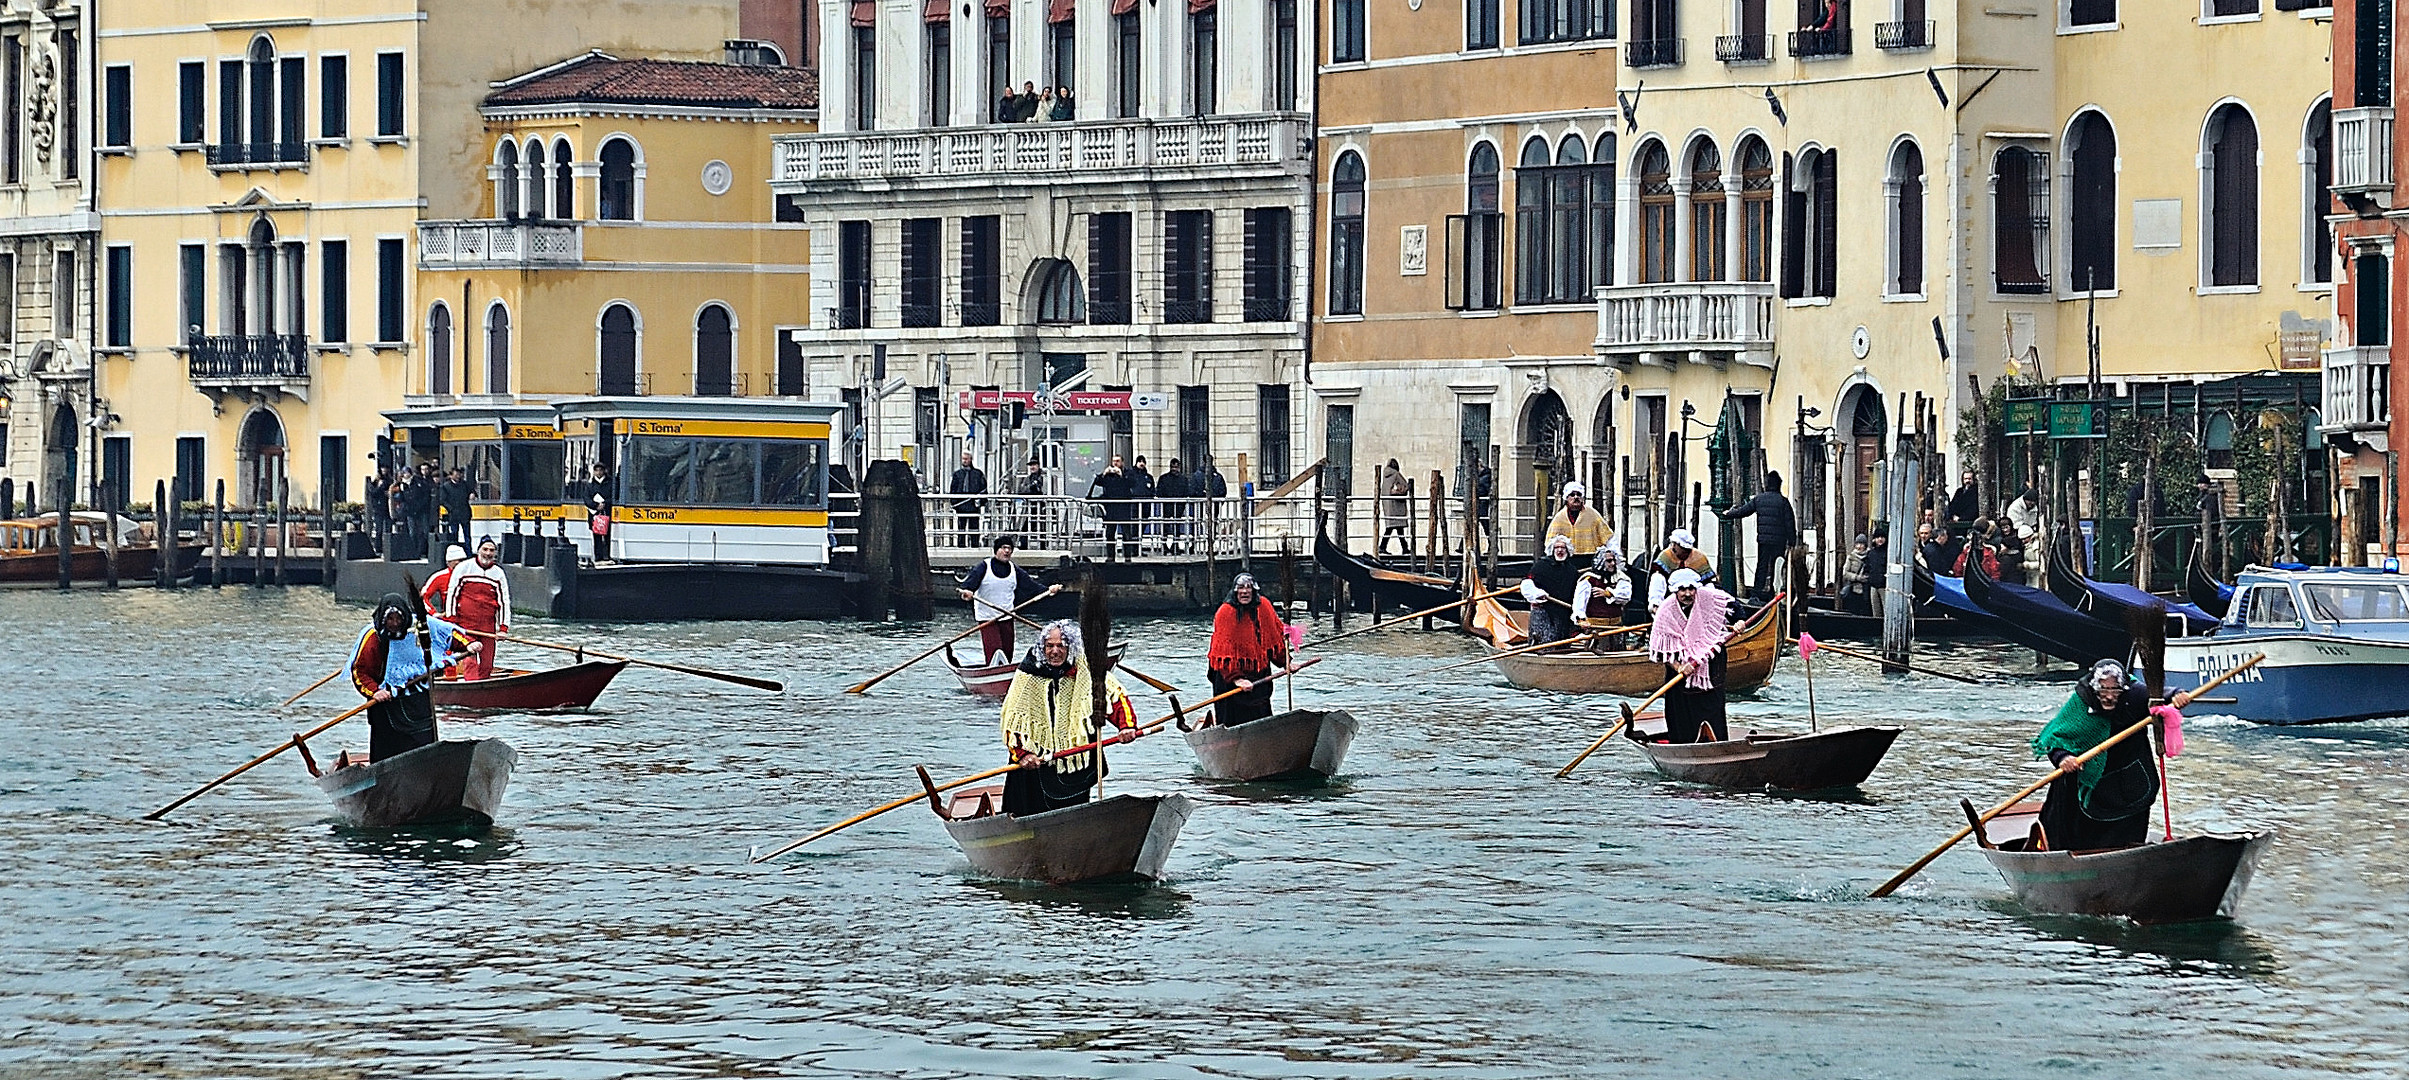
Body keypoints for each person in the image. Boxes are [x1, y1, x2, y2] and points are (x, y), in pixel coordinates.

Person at [2031, 659, 2179, 851]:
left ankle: (2126, 853)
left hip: (2126, 774)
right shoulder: (2081, 701)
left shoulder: (2133, 693)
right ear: (2094, 688)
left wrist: (2177, 695)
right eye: (2103, 690)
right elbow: (2055, 738)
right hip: (2085, 777)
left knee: (2128, 823)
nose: (2109, 696)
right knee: (2068, 819)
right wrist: (2063, 758)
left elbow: (2161, 696)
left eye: (2114, 691)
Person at [998, 620, 1140, 817]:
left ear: (1071, 648)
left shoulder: (1086, 669)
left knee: (1074, 813)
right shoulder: (1028, 673)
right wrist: (1022, 754)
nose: (1055, 651)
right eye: (1050, 646)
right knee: (1027, 813)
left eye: (1061, 646)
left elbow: (1115, 696)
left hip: (1076, 761)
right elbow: (1014, 719)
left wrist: (1126, 727)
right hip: (1035, 763)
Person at [349, 592, 478, 761]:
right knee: (386, 753)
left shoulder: (420, 626)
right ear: (383, 620)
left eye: (399, 619)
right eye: (390, 620)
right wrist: (375, 692)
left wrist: (469, 643)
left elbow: (448, 633)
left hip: (417, 699)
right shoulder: (373, 638)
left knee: (424, 748)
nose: (395, 624)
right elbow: (360, 672)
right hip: (386, 703)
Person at [1644, 568, 1731, 743]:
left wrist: (1739, 623)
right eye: (1683, 590)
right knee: (1681, 714)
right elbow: (1661, 650)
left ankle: (1718, 743)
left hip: (1710, 667)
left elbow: (1735, 609)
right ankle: (1683, 744)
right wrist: (1679, 667)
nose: (1688, 594)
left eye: (1691, 589)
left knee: (1713, 708)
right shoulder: (1665, 611)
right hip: (1681, 673)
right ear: (1675, 591)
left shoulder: (1709, 598)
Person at [1206, 573, 1296, 727]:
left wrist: (1286, 662)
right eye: (1241, 588)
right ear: (1235, 591)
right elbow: (1222, 653)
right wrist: (1237, 679)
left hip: (1258, 675)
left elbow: (1273, 640)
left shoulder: (1264, 607)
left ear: (1254, 591)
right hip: (1230, 676)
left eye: (1249, 588)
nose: (1245, 592)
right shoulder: (1225, 613)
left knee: (1261, 718)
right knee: (1232, 721)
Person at [957, 536, 1061, 664]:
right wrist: (967, 592)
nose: (1007, 551)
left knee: (1007, 652)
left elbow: (1031, 586)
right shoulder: (984, 567)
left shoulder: (1014, 570)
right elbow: (967, 586)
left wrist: (1048, 590)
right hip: (987, 618)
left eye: (1010, 549)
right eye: (1003, 548)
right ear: (996, 550)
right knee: (995, 651)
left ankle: (1005, 676)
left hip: (1007, 615)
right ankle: (993, 674)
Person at [1719, 470, 1797, 600]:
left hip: (1763, 539)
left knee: (1762, 565)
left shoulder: (1759, 499)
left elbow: (1744, 511)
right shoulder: (1783, 502)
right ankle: (1773, 592)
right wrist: (1792, 541)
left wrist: (1729, 513)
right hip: (1779, 540)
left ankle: (1757, 591)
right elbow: (1789, 523)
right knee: (1776, 566)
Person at [445, 537, 511, 681]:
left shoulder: (498, 573)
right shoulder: (464, 568)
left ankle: (483, 689)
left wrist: (503, 628)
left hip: (487, 625)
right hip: (466, 625)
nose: (488, 553)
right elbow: (452, 594)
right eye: (485, 549)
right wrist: (451, 619)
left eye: (491, 550)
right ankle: (471, 689)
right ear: (478, 550)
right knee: (470, 661)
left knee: (487, 664)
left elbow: (504, 602)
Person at [1520, 535, 1583, 645]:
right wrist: (1537, 594)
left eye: (1563, 548)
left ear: (1567, 550)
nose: (1560, 550)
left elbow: (1577, 592)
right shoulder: (1541, 566)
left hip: (1564, 612)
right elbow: (1527, 583)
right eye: (1557, 547)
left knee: (1562, 644)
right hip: (1543, 612)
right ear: (1552, 550)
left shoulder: (1571, 570)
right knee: (1543, 642)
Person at [1647, 528, 1715, 613]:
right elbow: (1658, 581)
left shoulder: (1699, 558)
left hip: (1695, 600)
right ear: (1675, 545)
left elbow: (1707, 584)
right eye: (1682, 548)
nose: (1685, 552)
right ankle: (1656, 607)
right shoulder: (1665, 557)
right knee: (1657, 577)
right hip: (1670, 598)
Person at [1087, 454, 1139, 560]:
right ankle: (1110, 556)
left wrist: (1121, 476)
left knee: (1126, 533)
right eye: (1114, 461)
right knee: (1110, 533)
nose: (1115, 463)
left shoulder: (1128, 473)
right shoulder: (1109, 475)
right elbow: (1097, 482)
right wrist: (1103, 475)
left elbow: (1132, 483)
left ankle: (1127, 556)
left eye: (1118, 461)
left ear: (1122, 462)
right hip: (1111, 508)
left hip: (1124, 507)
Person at [1544, 482, 1612, 556]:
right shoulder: (1559, 518)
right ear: (1566, 498)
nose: (1576, 497)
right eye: (1572, 495)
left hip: (1589, 557)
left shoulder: (1593, 514)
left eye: (1579, 494)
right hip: (1567, 558)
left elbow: (1607, 537)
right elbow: (1550, 542)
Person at [1575, 546, 1634, 627]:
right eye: (1609, 561)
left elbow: (1626, 596)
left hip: (1616, 625)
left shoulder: (1620, 577)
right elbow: (1579, 603)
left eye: (1614, 560)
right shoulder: (1589, 579)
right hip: (1595, 626)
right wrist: (1581, 620)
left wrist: (1608, 593)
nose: (1612, 563)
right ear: (1601, 562)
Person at [949, 450, 988, 548]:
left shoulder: (978, 474)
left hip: (973, 504)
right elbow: (953, 488)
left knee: (974, 526)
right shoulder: (957, 474)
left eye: (966, 459)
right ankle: (961, 545)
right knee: (961, 526)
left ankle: (975, 544)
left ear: (971, 460)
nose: (964, 461)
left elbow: (983, 488)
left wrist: (982, 502)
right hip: (961, 503)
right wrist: (954, 503)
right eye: (963, 459)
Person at [1379, 459, 1413, 555]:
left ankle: (1401, 548)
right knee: (1396, 527)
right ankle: (1383, 547)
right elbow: (1405, 486)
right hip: (1396, 505)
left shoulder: (1385, 477)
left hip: (1388, 505)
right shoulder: (1396, 474)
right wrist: (1401, 491)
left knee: (1395, 527)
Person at [422, 544, 468, 614]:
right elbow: (424, 596)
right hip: (449, 619)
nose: (460, 564)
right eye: (458, 561)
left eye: (462, 561)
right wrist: (433, 613)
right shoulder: (439, 577)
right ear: (448, 562)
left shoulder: (472, 576)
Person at [1157, 457, 1190, 551]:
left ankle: (1175, 546)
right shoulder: (1165, 478)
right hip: (1167, 505)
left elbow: (1186, 492)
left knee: (1176, 527)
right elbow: (1159, 492)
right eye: (1173, 467)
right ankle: (1165, 547)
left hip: (1178, 506)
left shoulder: (1182, 479)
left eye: (1176, 467)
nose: (1174, 469)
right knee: (1165, 526)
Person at [1840, 534, 1874, 615]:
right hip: (1854, 589)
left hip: (1867, 590)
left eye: (1861, 544)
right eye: (1857, 544)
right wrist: (1857, 577)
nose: (1859, 546)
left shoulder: (1870, 555)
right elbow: (1845, 573)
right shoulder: (1851, 557)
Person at [1129, 455, 1156, 548]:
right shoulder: (1131, 475)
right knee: (1134, 525)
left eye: (1143, 461)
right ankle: (1133, 548)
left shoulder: (1148, 477)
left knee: (1143, 525)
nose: (1141, 463)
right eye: (1139, 461)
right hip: (1134, 504)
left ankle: (1138, 547)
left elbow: (1152, 490)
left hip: (1146, 504)